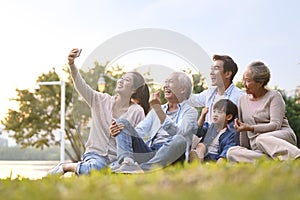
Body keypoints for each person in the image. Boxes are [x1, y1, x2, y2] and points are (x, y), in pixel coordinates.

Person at [48, 48, 150, 175]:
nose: (121, 81)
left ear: (134, 89)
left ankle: (87, 169)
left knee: (110, 172)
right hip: (95, 155)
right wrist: (71, 64)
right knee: (97, 168)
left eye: (127, 80)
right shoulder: (100, 100)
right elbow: (81, 85)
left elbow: (139, 139)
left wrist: (123, 132)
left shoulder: (137, 111)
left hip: (117, 159)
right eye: (121, 78)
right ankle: (66, 166)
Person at [109, 71, 198, 173]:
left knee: (179, 140)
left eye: (170, 82)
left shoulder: (191, 112)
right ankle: (127, 162)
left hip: (172, 155)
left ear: (182, 89)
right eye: (165, 82)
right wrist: (121, 131)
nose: (165, 86)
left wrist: (158, 110)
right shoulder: (155, 111)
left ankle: (141, 169)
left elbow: (180, 133)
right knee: (122, 122)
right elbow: (139, 132)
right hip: (151, 152)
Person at [227, 61, 300, 162]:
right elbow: (243, 132)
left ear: (260, 83)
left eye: (247, 80)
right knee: (232, 152)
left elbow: (276, 125)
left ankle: (296, 157)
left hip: (280, 138)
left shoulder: (274, 96)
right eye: (243, 79)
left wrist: (251, 128)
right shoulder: (242, 100)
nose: (244, 83)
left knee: (261, 139)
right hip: (258, 147)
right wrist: (245, 149)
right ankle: (272, 161)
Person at [187, 54, 243, 147]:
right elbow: (192, 100)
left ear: (228, 74)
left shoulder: (239, 97)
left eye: (216, 69)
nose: (211, 73)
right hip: (206, 141)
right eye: (211, 69)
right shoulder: (210, 93)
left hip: (225, 143)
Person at [189, 99, 238, 163]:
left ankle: (201, 165)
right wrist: (202, 116)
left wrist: (221, 159)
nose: (215, 114)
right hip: (202, 155)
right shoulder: (208, 127)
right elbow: (198, 131)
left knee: (223, 158)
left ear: (228, 117)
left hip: (216, 158)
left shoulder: (230, 135)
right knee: (201, 146)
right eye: (214, 111)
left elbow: (227, 150)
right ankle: (198, 164)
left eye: (219, 112)